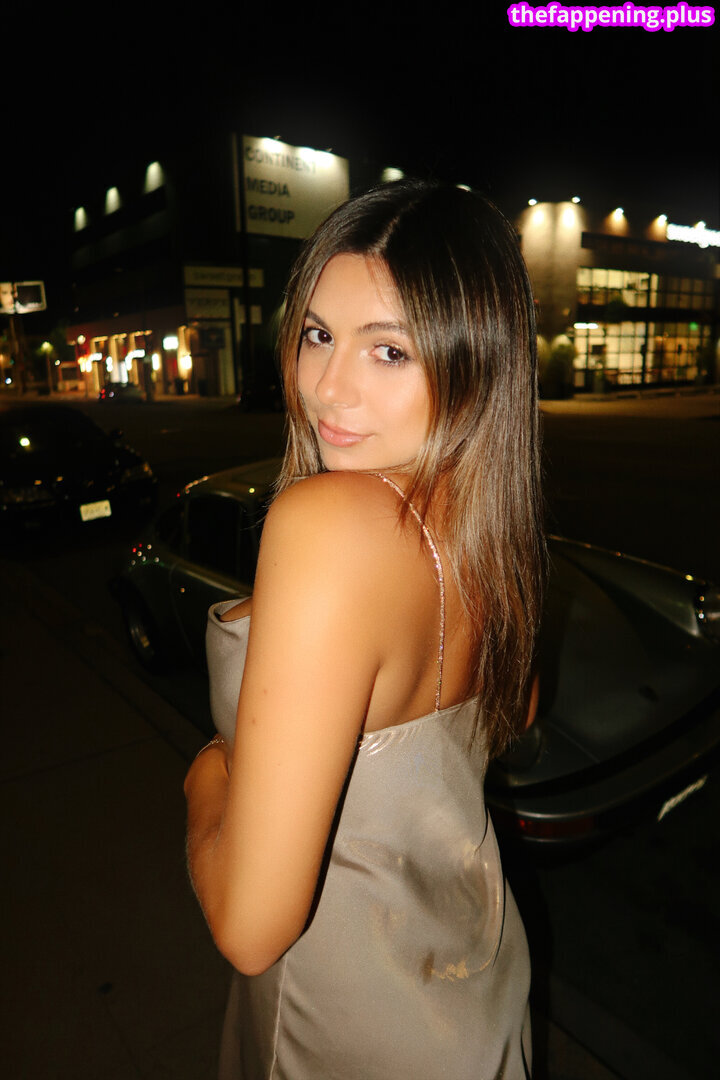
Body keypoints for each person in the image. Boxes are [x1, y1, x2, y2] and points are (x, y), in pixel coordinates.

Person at [184, 179, 545, 1080]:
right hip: (473, 993)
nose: (327, 387)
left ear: (477, 362)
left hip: (341, 1030)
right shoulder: (491, 526)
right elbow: (518, 710)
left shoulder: (327, 524)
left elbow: (250, 928)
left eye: (389, 351)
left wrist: (207, 777)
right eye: (317, 335)